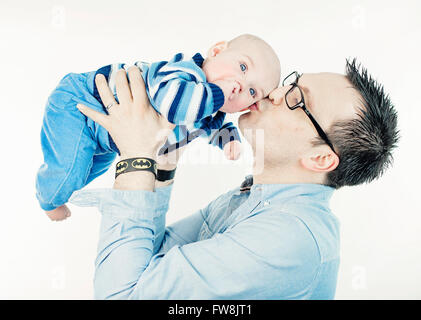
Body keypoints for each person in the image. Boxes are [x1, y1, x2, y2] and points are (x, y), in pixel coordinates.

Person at [69, 58, 399, 299]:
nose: (276, 92)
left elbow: (121, 294)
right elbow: (152, 259)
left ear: (321, 158)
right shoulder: (254, 198)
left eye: (298, 100)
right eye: (292, 82)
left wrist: (135, 156)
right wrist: (161, 161)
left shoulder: (289, 237)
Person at [36, 34, 281, 221]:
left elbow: (215, 126)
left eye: (251, 91)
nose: (239, 84)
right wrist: (218, 92)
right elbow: (173, 104)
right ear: (216, 51)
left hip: (105, 136)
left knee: (92, 169)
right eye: (242, 67)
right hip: (81, 103)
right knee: (70, 170)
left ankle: (63, 190)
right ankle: (49, 199)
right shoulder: (183, 73)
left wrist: (230, 141)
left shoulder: (208, 110)